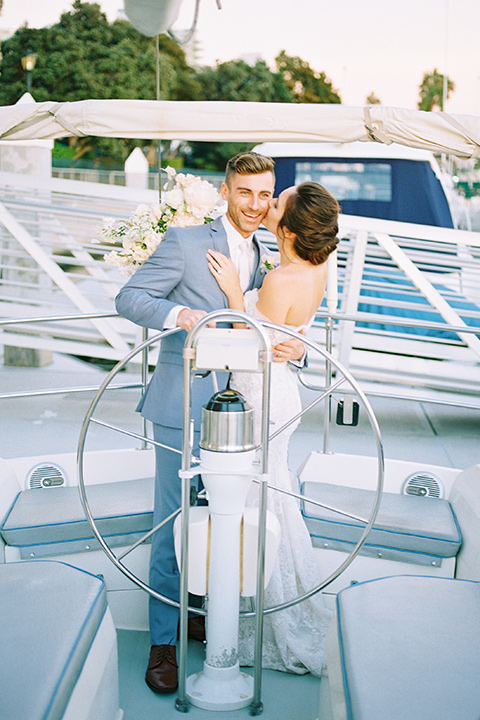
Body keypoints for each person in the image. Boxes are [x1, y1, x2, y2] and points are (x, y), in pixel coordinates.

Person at [114, 152, 304, 693]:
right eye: (245, 192)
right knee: (170, 522)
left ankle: (204, 613)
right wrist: (184, 317)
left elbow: (276, 321)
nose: (254, 204)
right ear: (225, 191)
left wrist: (295, 351)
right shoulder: (187, 241)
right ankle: (163, 642)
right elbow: (129, 297)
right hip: (183, 407)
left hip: (244, 414)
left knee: (223, 518)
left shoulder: (271, 251)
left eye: (265, 194)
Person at [206, 181, 340, 675]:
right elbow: (291, 331)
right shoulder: (318, 267)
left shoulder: (284, 277)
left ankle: (268, 620)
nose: (267, 204)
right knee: (273, 494)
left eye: (276, 202)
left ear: (286, 227)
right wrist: (298, 345)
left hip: (262, 394)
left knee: (257, 499)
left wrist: (231, 294)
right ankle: (280, 608)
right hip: (281, 391)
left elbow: (249, 341)